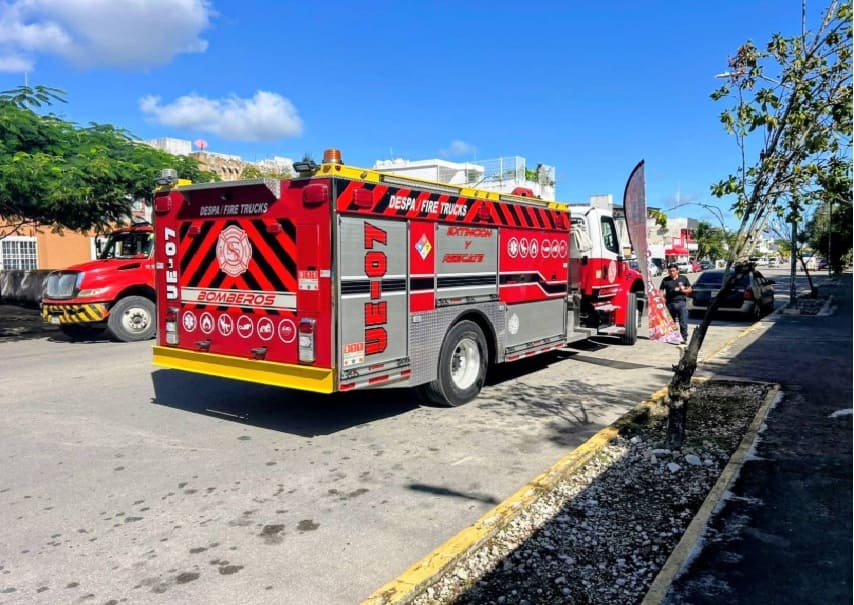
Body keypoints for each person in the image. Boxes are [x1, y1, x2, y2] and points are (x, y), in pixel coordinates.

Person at [659, 263, 692, 343]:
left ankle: (684, 338)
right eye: (670, 271)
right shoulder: (665, 280)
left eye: (673, 271)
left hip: (681, 303)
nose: (671, 273)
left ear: (677, 271)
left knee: (683, 322)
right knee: (671, 323)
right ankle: (673, 337)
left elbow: (690, 289)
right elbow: (661, 290)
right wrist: (661, 297)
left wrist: (683, 290)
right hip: (670, 303)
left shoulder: (683, 278)